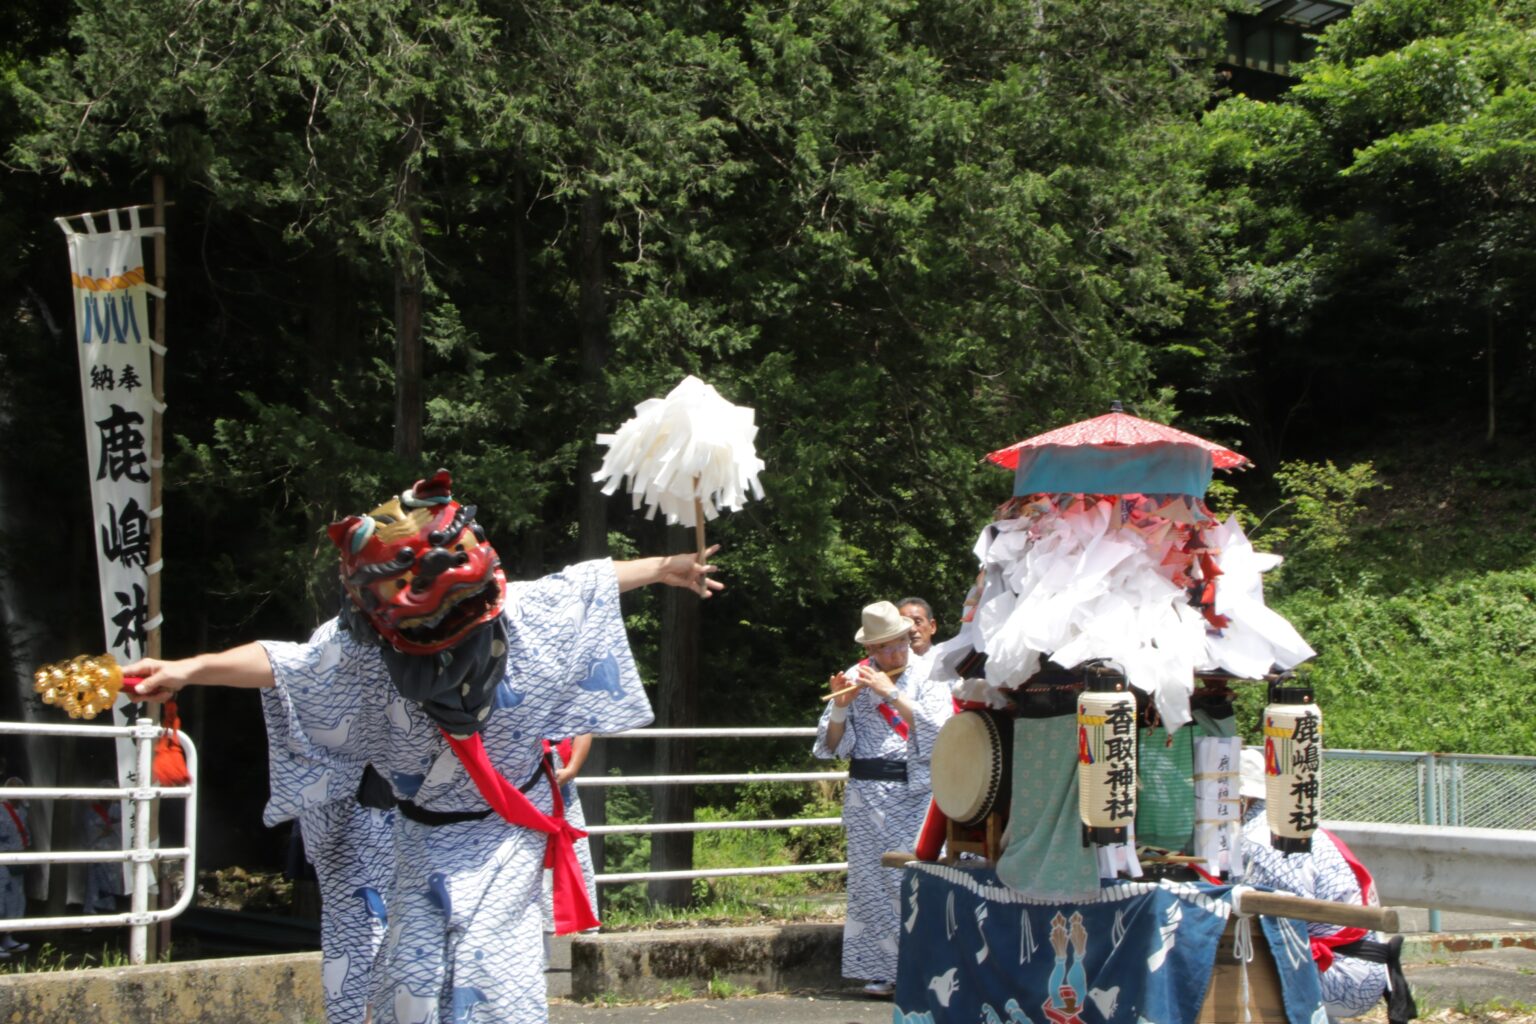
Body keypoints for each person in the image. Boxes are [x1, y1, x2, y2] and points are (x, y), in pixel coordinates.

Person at [126, 470, 721, 1024]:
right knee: (411, 981)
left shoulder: (521, 614)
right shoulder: (364, 650)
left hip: (503, 838)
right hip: (422, 840)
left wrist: (668, 565)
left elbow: (588, 580)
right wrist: (189, 667)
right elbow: (283, 663)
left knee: (491, 978)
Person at [815, 600, 954, 998]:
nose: (894, 654)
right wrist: (841, 706)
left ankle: (924, 969)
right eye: (884, 649)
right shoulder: (857, 677)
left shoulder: (932, 674)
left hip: (917, 793)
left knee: (914, 882)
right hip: (868, 796)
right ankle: (881, 971)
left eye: (899, 645)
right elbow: (831, 745)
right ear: (871, 650)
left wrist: (892, 694)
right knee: (872, 886)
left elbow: (940, 730)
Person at [1238, 748, 1416, 1024]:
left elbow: (1275, 925)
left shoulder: (1258, 842)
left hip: (1344, 971)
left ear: (1241, 799)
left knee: (1235, 964)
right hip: (1361, 963)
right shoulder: (1289, 825)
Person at [0, 777, 30, 956]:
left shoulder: (24, 811)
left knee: (16, 899)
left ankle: (7, 938)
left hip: (17, 858)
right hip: (2, 858)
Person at [896, 597, 938, 675]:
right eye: (905, 623)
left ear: (932, 626)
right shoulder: (890, 666)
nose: (912, 629)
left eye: (918, 622)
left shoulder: (947, 662)